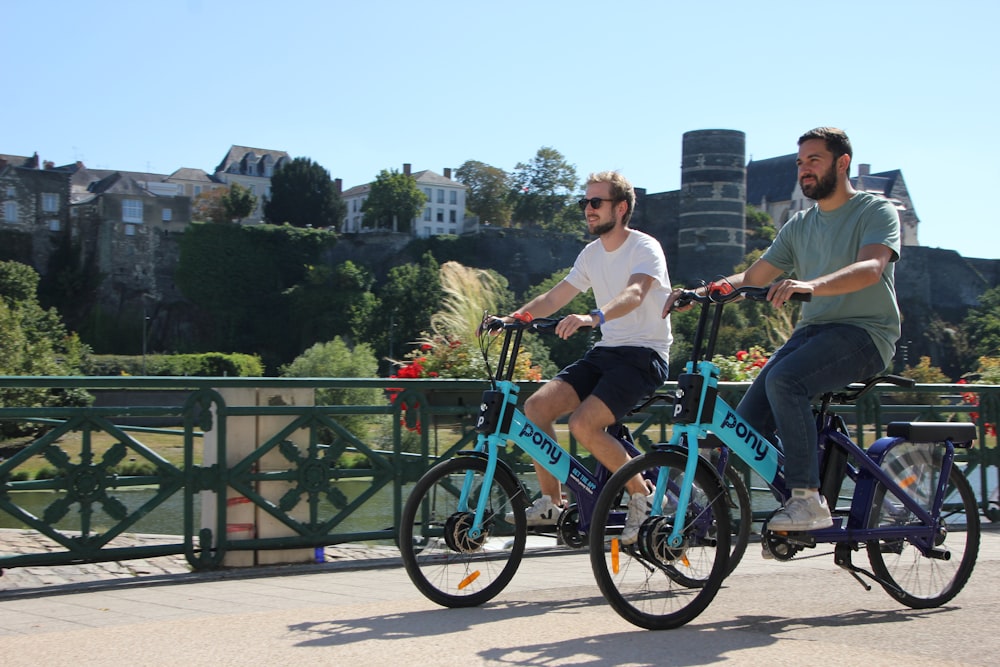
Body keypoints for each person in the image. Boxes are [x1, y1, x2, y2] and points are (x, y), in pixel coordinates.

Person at [663, 127, 901, 533]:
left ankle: (807, 498)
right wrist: (700, 293)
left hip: (865, 334)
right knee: (746, 425)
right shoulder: (799, 226)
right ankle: (798, 501)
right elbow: (754, 277)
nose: (804, 170)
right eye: (800, 163)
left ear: (842, 163)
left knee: (787, 381)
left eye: (814, 160)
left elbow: (871, 268)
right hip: (813, 334)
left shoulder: (874, 211)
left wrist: (811, 285)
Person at [493, 171, 672, 544]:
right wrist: (512, 319)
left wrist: (594, 317)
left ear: (620, 208)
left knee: (583, 424)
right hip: (607, 352)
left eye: (596, 203)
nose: (587, 210)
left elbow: (636, 294)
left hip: (644, 355)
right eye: (584, 203)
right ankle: (552, 502)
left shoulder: (644, 248)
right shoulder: (591, 254)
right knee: (537, 408)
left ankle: (644, 496)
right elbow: (554, 298)